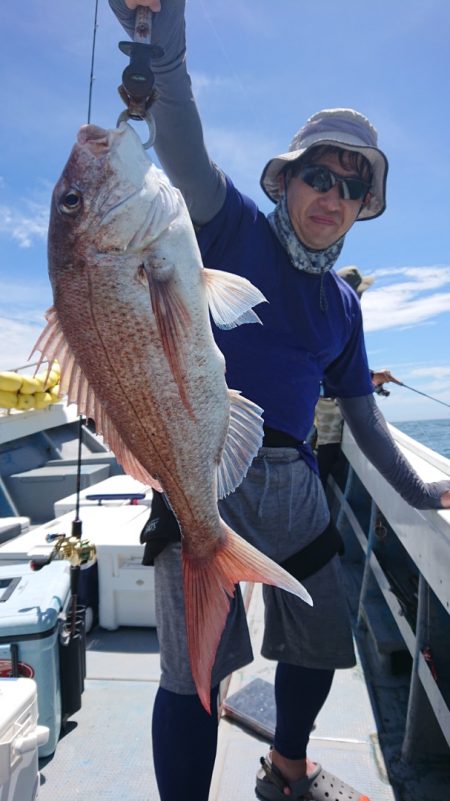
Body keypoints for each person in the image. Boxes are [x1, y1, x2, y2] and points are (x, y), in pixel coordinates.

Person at [110, 3, 450, 800]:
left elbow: (363, 416)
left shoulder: (343, 305)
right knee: (192, 673)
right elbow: (182, 143)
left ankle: (288, 765)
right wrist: (166, 38)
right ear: (286, 179)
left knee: (320, 639)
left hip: (295, 483)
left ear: (362, 206)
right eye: (319, 175)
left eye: (352, 186)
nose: (334, 195)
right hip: (201, 468)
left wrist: (421, 490)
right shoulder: (229, 228)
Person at [314, 266, 402, 487]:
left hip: (317, 395)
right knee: (329, 442)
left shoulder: (331, 316)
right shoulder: (336, 321)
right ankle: (316, 497)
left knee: (326, 444)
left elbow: (344, 370)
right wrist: (370, 380)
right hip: (321, 396)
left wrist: (373, 376)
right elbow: (338, 376)